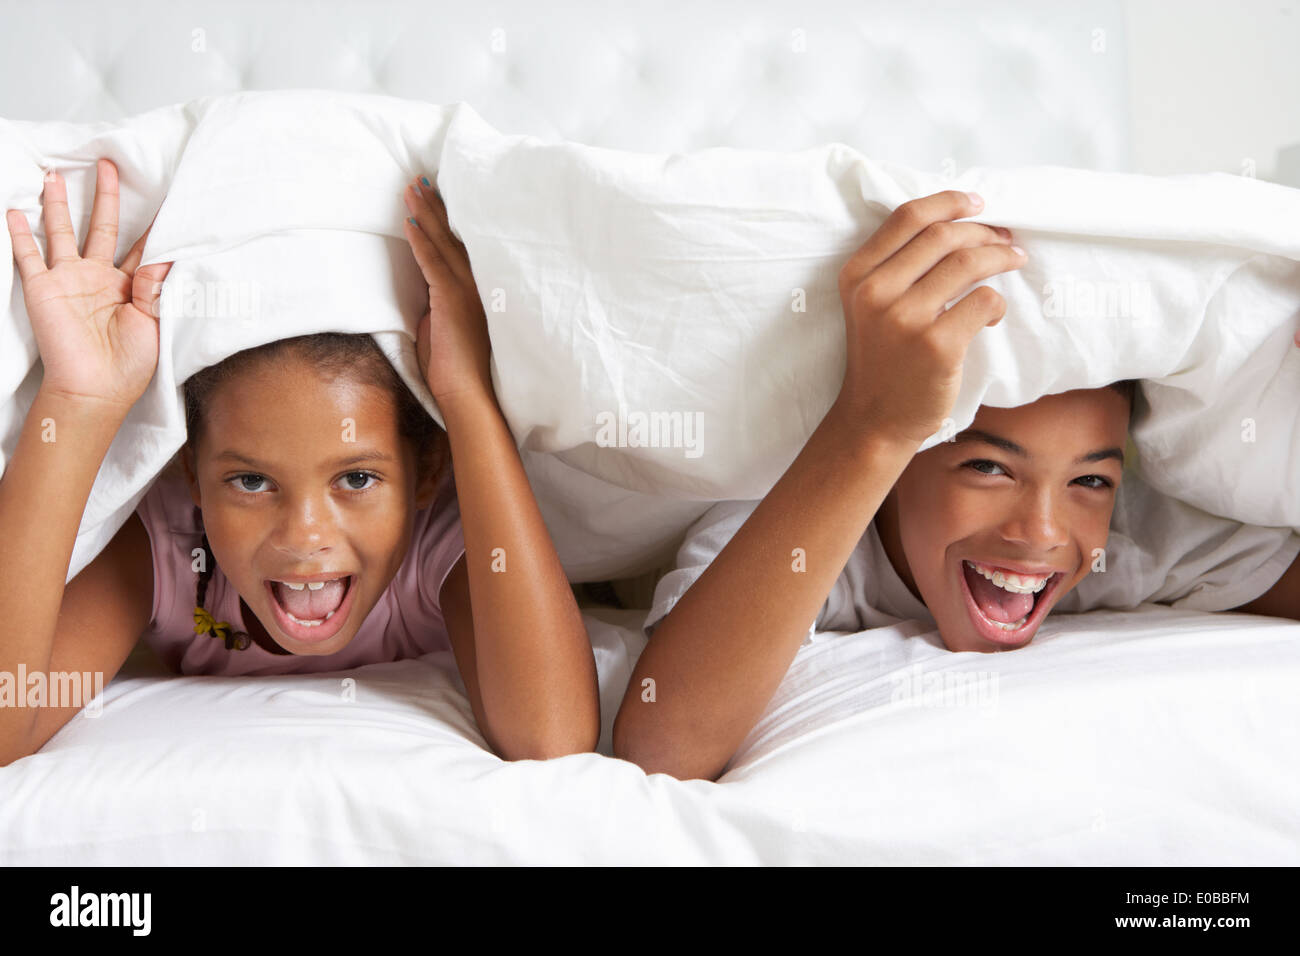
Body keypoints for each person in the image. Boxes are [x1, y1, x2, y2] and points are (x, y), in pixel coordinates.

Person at [612, 190, 1300, 781]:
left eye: (1090, 478)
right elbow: (663, 742)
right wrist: (872, 427)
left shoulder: (1120, 544)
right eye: (988, 468)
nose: (1042, 532)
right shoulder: (794, 530)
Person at [0, 160, 599, 765]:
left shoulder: (437, 544)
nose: (305, 535)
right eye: (252, 480)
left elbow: (552, 740)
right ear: (191, 475)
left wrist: (468, 392)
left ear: (429, 471)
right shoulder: (168, 545)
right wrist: (77, 403)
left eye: (356, 478)